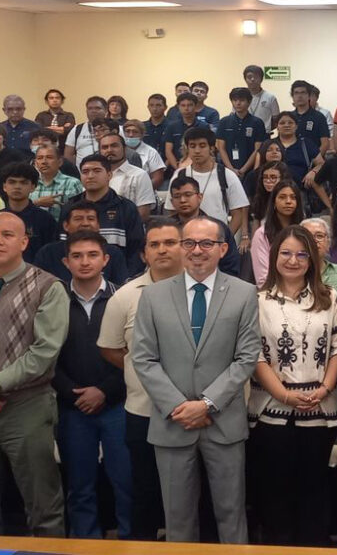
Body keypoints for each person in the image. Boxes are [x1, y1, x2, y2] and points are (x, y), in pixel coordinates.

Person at [131, 216, 261, 543]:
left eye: (206, 243)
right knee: (177, 519)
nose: (196, 250)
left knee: (231, 514)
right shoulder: (153, 296)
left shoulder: (244, 294)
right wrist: (180, 407)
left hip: (224, 422)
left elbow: (245, 358)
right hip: (172, 422)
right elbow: (143, 358)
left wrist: (206, 404)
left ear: (222, 248)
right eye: (188, 243)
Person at [249, 225, 337, 546]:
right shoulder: (256, 300)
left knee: (314, 489)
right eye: (286, 253)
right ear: (274, 256)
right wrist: (285, 394)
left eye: (302, 254)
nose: (293, 260)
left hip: (321, 408)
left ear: (312, 259)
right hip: (271, 411)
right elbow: (254, 355)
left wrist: (326, 388)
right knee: (275, 492)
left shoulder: (330, 297)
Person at [97, 217, 183, 540]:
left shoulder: (205, 291)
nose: (162, 250)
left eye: (170, 243)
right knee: (144, 493)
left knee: (193, 496)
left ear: (185, 248)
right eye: (154, 244)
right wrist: (142, 370)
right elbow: (109, 348)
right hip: (144, 411)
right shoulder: (126, 297)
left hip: (195, 412)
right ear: (144, 253)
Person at [53, 230, 132, 538]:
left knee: (125, 481)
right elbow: (48, 355)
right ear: (65, 261)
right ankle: (86, 542)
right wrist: (72, 393)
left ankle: (129, 541)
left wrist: (105, 390)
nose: (85, 262)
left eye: (92, 255)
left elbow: (134, 355)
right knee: (79, 484)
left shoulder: (123, 298)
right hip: (72, 405)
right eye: (77, 256)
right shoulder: (54, 299)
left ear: (106, 259)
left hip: (118, 403)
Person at [0, 213, 68, 539]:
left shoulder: (47, 286)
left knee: (42, 504)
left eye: (7, 234)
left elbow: (44, 353)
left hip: (26, 404)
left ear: (24, 242)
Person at [168, 127, 249, 235]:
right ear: (187, 148)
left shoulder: (227, 175)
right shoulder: (179, 174)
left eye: (202, 146)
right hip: (186, 239)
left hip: (217, 239)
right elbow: (172, 209)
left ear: (211, 148)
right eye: (192, 146)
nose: (197, 151)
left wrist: (223, 239)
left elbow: (238, 214)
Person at [73, 154, 144, 273]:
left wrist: (127, 280)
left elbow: (136, 250)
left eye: (96, 171)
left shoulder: (126, 207)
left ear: (109, 175)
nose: (90, 176)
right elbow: (62, 247)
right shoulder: (70, 207)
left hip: (119, 281)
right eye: (85, 172)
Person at [167, 176, 242, 277]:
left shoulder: (218, 228)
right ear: (172, 202)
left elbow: (231, 266)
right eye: (177, 196)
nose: (183, 200)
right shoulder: (166, 229)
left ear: (200, 197)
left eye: (188, 195)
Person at [250, 179, 305, 285]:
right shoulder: (262, 234)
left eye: (293, 197)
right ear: (274, 202)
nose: (288, 201)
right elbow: (262, 278)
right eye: (282, 197)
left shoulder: (305, 232)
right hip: (272, 292)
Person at [2, 162, 59, 260]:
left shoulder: (45, 219)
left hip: (38, 273)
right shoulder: (1, 217)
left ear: (33, 187)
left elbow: (51, 253)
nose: (17, 186)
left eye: (23, 182)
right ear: (4, 187)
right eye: (12, 182)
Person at [99, 133, 156, 220]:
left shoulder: (139, 175)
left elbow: (143, 214)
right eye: (105, 147)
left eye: (114, 146)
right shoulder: (95, 176)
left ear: (125, 149)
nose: (109, 150)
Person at [215, 88, 267, 178]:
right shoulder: (224, 121)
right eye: (235, 100)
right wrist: (231, 169)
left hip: (249, 169)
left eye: (242, 100)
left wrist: (244, 169)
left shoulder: (257, 123)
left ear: (249, 101)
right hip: (227, 168)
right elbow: (221, 148)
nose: (238, 103)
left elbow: (257, 149)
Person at [302, 217, 337, 304]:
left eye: (319, 236)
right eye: (308, 236)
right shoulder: (292, 274)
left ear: (328, 243)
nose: (314, 241)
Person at [31, 142, 83, 221]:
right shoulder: (30, 184)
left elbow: (79, 212)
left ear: (60, 162)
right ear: (35, 163)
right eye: (40, 158)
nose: (44, 161)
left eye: (49, 157)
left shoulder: (72, 183)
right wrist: (37, 203)